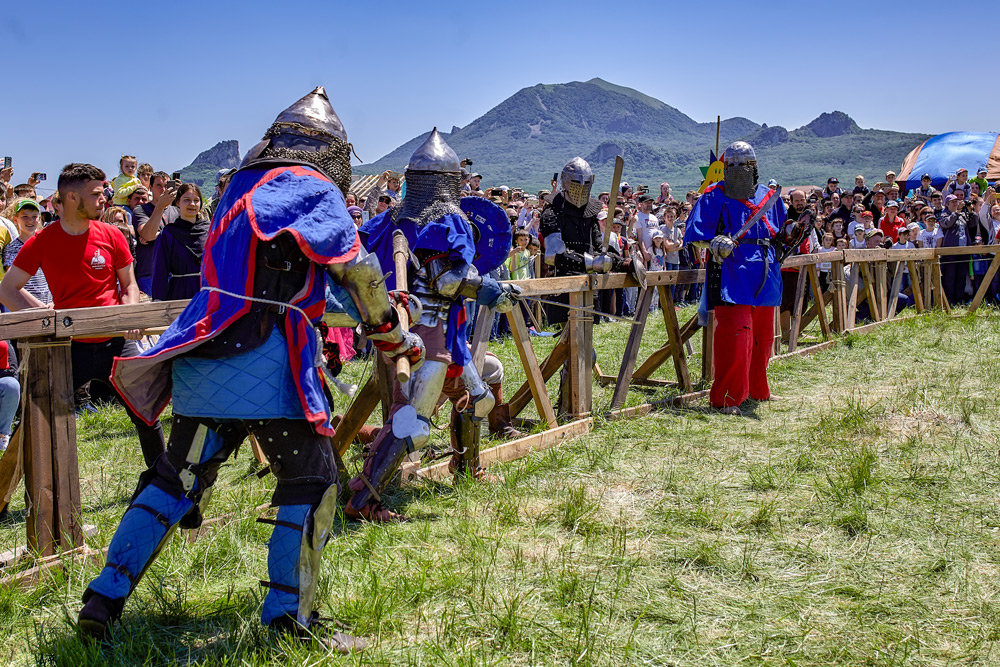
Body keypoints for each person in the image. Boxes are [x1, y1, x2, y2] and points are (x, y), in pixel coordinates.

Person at [76, 87, 421, 652]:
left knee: (174, 477)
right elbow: (356, 268)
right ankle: (290, 617)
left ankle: (103, 598)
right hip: (265, 361)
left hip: (203, 352)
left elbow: (277, 273)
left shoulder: (237, 186)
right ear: (330, 153)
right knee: (311, 483)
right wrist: (389, 331)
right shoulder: (307, 186)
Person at [352, 128, 521, 521]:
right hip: (429, 332)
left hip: (406, 331)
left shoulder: (389, 219)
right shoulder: (447, 219)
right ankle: (363, 500)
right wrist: (494, 290)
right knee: (413, 422)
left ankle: (465, 467)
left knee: (478, 397)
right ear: (449, 183)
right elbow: (448, 281)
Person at [0, 163, 166, 465]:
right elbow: (8, 289)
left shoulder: (112, 235)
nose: (104, 198)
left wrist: (130, 318)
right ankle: (5, 498)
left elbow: (129, 285)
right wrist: (43, 318)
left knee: (146, 415)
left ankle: (166, 489)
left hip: (117, 341)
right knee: (35, 420)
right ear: (73, 199)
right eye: (96, 194)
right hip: (68, 345)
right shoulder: (44, 240)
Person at [683, 141, 795, 415]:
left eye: (743, 165)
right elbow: (695, 236)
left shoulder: (769, 197)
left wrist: (793, 234)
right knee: (737, 336)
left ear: (754, 167)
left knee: (763, 338)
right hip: (731, 272)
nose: (737, 170)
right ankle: (727, 398)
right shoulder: (714, 195)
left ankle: (757, 390)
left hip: (765, 272)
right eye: (731, 165)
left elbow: (778, 234)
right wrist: (714, 243)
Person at [150, 183, 210, 301]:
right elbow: (160, 272)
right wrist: (159, 301)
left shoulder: (210, 231)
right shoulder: (168, 234)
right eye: (186, 200)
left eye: (196, 200)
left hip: (207, 293)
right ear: (178, 202)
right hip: (180, 293)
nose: (192, 204)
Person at [131, 171, 179, 294]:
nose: (163, 189)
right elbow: (148, 235)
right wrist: (160, 207)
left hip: (174, 274)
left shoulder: (177, 211)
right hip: (149, 274)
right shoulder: (140, 210)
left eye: (166, 186)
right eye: (159, 185)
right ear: (150, 188)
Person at [1, 198, 48, 304]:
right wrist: (38, 305)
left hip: (49, 305)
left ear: (39, 218)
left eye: (34, 217)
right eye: (24, 217)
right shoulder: (12, 249)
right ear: (15, 220)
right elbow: (11, 282)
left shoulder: (45, 245)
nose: (30, 221)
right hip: (26, 307)